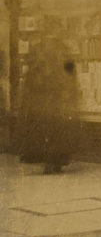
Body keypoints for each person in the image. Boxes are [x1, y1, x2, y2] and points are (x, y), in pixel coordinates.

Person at [14, 19, 82, 174]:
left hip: (40, 101)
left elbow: (30, 76)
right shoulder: (63, 49)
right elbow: (70, 75)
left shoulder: (37, 49)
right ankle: (55, 162)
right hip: (57, 100)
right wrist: (71, 93)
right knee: (58, 132)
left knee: (42, 131)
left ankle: (47, 162)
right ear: (56, 31)